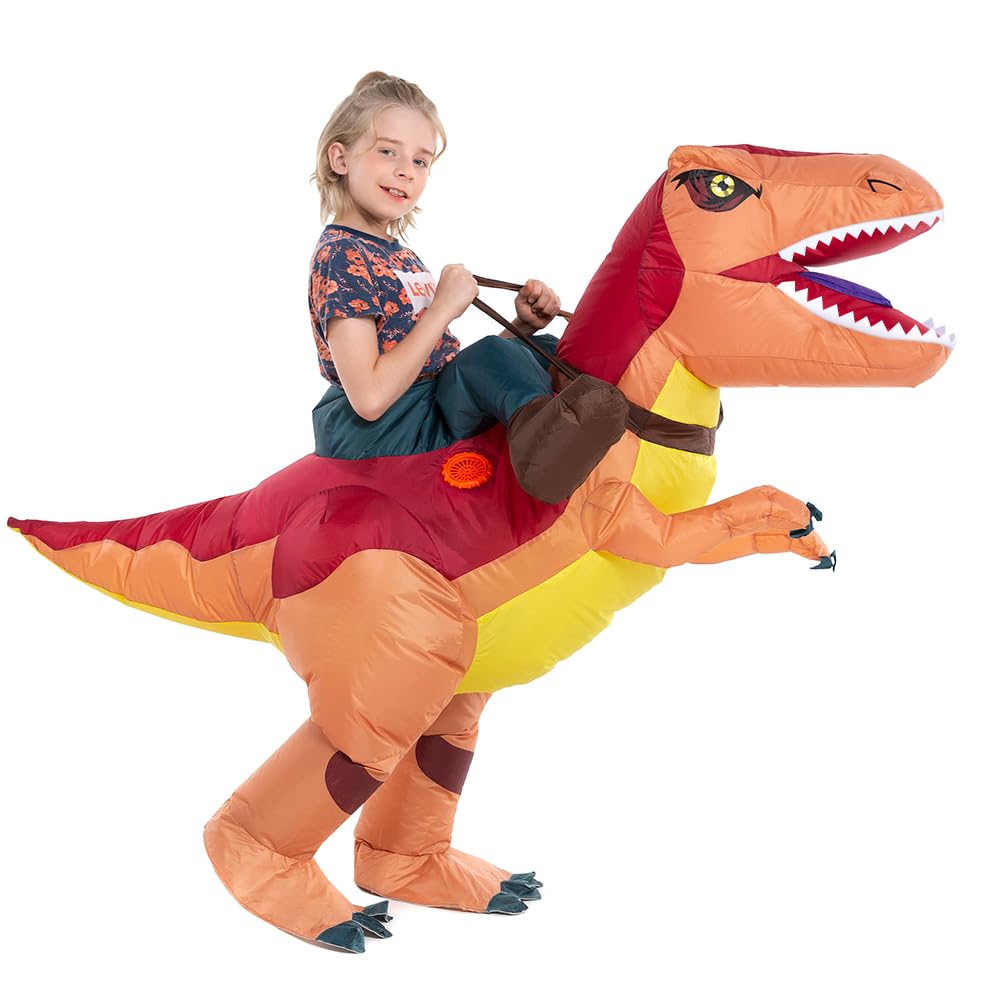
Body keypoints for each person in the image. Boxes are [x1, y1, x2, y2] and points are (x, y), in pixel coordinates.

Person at [307, 71, 629, 503]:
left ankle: (614, 410)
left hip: (421, 405)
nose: (405, 171)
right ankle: (547, 457)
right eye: (387, 151)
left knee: (541, 348)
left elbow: (441, 366)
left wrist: (521, 327)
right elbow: (369, 397)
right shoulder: (342, 256)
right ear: (340, 159)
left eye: (420, 161)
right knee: (492, 356)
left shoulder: (396, 254)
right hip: (380, 429)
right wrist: (443, 308)